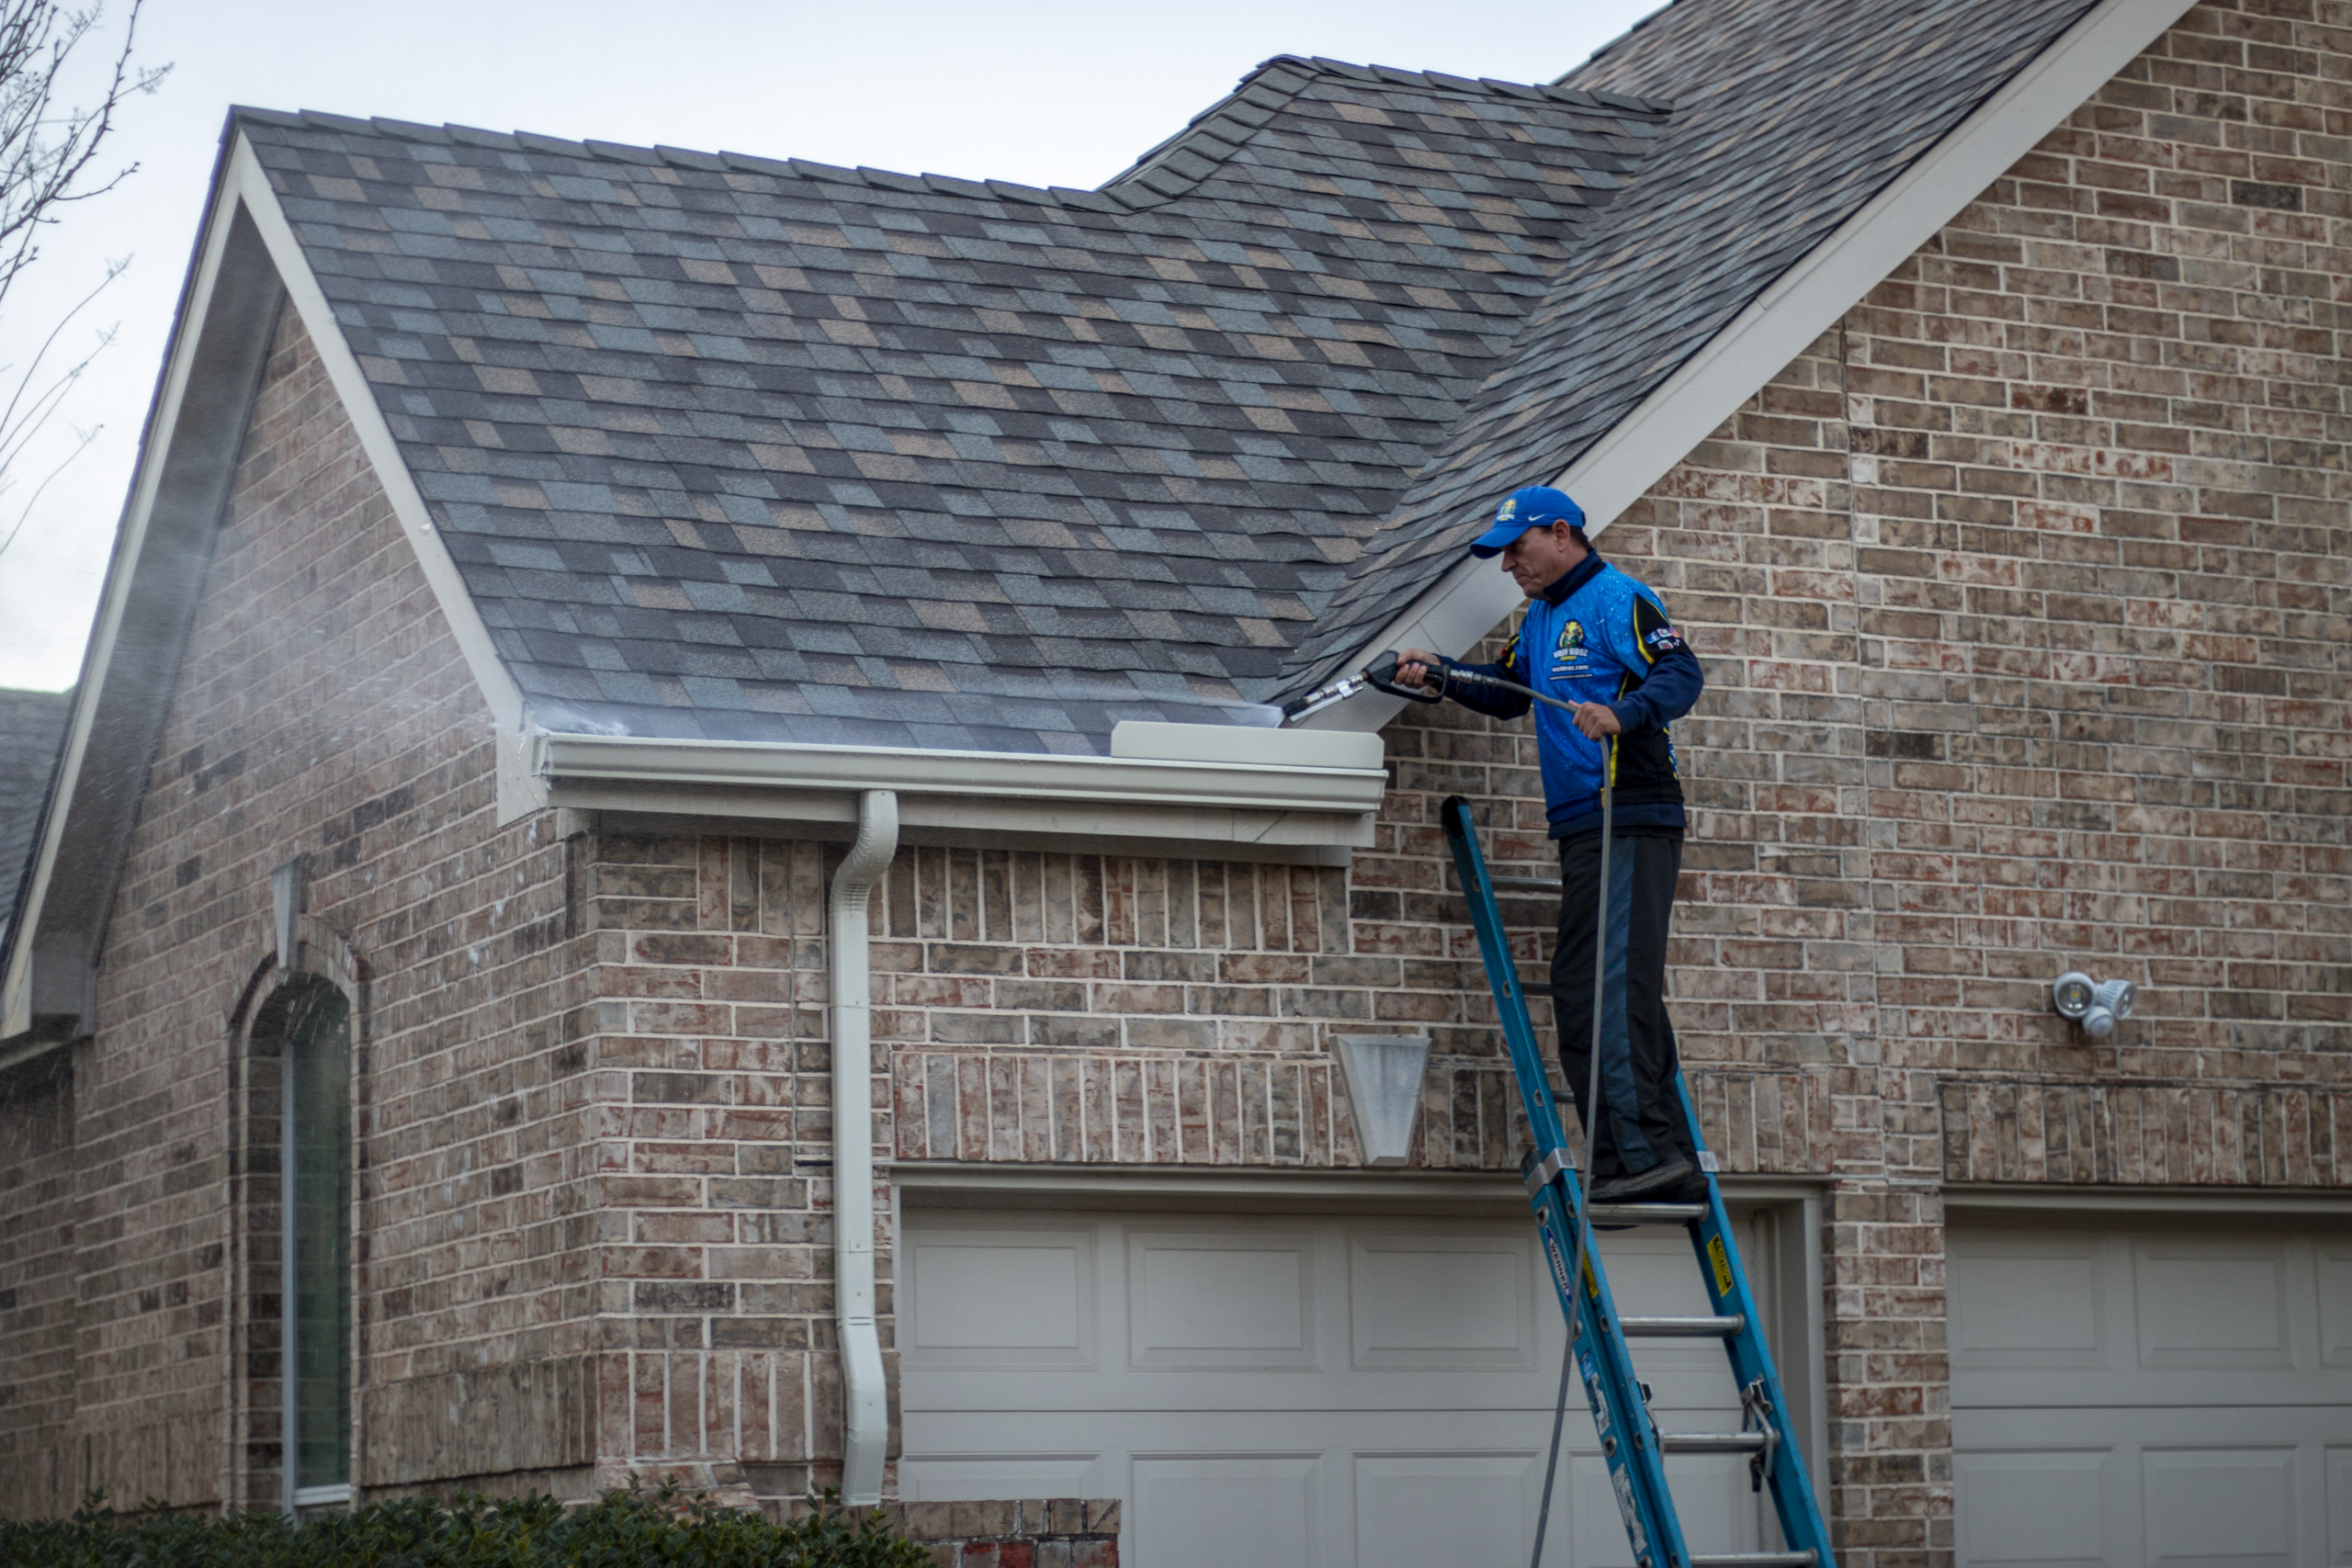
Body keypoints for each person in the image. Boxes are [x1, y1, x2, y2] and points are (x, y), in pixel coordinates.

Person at [1399, 486, 1706, 1202]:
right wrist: (1437, 675)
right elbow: (1508, 691)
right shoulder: (1538, 619)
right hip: (1581, 824)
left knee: (1598, 986)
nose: (1508, 563)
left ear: (1561, 532)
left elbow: (1681, 673)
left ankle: (1639, 1157)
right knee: (1604, 982)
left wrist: (1623, 712)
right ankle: (1647, 1152)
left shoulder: (1616, 597)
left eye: (1517, 546)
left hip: (1627, 810)